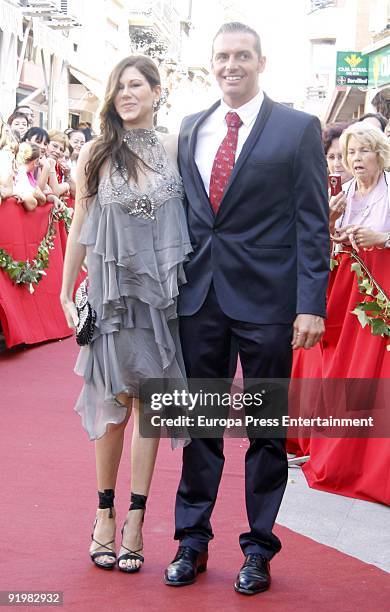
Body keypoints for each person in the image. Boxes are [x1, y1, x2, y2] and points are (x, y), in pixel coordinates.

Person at [164, 22, 329, 596]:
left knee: (264, 430)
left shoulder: (298, 128)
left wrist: (312, 303)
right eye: (222, 57)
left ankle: (258, 548)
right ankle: (191, 540)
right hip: (198, 299)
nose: (230, 65)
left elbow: (314, 223)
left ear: (262, 62)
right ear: (211, 64)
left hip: (269, 302)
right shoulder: (191, 128)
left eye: (242, 56)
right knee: (200, 425)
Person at [60, 55, 191, 573]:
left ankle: (137, 518)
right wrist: (67, 293)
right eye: (120, 87)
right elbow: (79, 224)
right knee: (114, 407)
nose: (127, 94)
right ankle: (104, 514)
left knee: (150, 409)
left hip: (161, 303)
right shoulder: (95, 154)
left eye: (137, 85)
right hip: (112, 300)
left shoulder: (175, 149)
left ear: (157, 91)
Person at [333, 122, 390, 248]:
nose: (356, 158)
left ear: (380, 154)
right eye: (351, 152)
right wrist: (331, 222)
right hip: (348, 266)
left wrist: (381, 238)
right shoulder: (339, 192)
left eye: (364, 150)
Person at [323, 123, 352, 232]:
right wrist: (330, 219)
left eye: (341, 156)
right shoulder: (321, 195)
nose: (336, 164)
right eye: (331, 157)